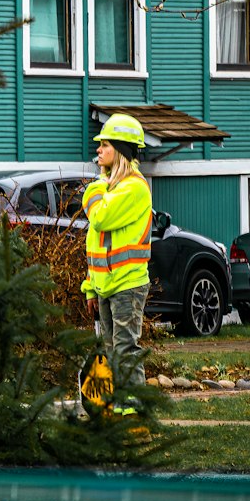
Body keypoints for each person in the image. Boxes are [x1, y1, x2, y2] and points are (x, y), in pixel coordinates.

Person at [80, 113, 153, 398]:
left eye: (105, 145)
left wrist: (95, 187)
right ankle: (116, 415)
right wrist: (89, 287)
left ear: (120, 151)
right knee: (111, 353)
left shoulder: (134, 188)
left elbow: (99, 218)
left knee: (125, 351)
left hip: (127, 285)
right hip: (105, 285)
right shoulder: (112, 188)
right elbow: (95, 243)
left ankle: (135, 419)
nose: (98, 150)